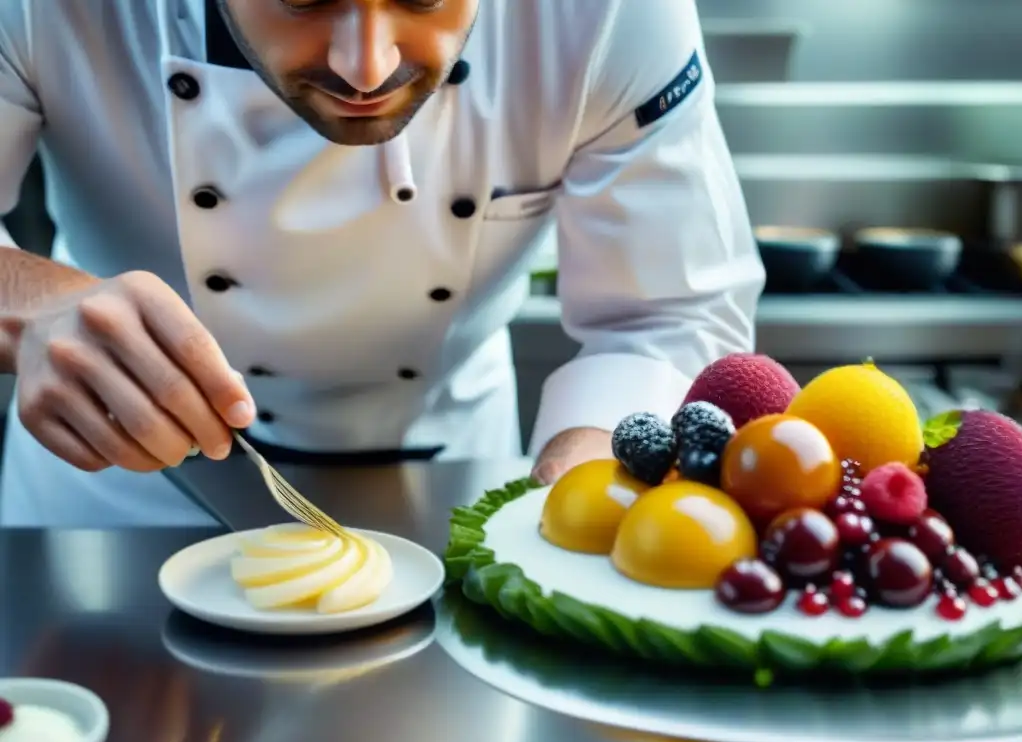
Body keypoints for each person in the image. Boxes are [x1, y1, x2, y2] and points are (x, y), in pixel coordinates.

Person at [0, 0, 764, 527]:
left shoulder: (601, 13)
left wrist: (583, 483)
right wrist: (33, 305)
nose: (366, 68)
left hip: (453, 486)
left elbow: (671, 311)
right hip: (114, 505)